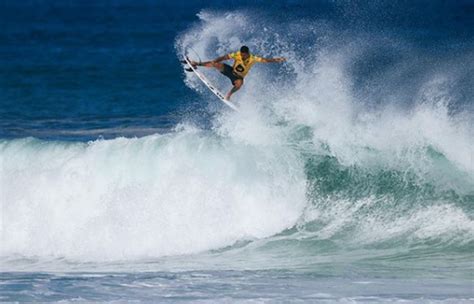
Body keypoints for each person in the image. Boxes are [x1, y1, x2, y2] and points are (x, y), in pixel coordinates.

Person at [190, 45, 286, 100]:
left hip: (237, 78)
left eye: (244, 55)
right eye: (241, 54)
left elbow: (266, 60)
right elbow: (225, 57)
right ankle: (196, 64)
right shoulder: (237, 54)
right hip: (230, 71)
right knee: (216, 64)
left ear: (248, 53)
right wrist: (216, 60)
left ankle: (229, 95)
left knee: (240, 83)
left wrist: (278, 59)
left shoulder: (253, 58)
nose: (242, 56)